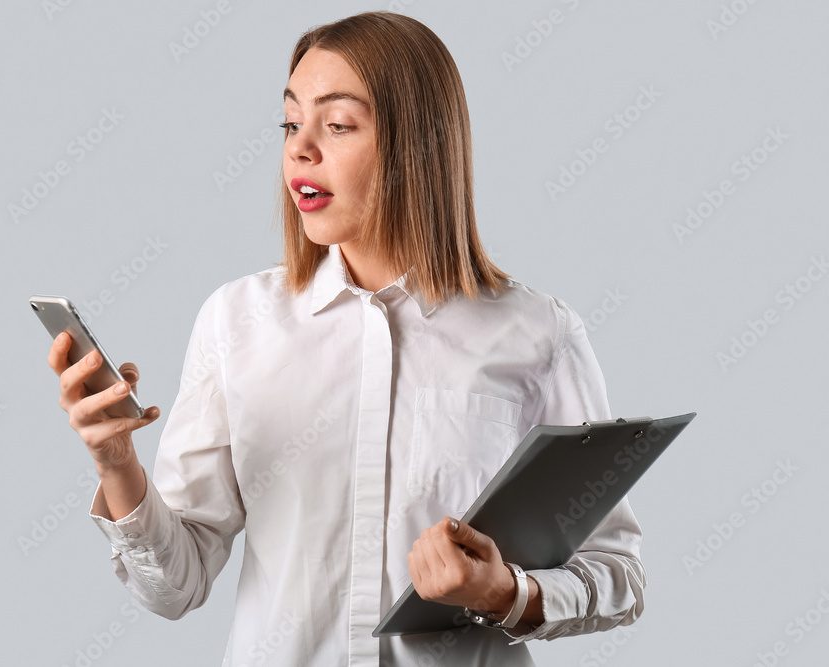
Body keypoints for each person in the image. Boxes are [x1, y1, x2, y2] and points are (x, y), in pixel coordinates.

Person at [48, 11, 645, 666]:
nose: (300, 148)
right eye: (290, 122)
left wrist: (505, 591)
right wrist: (116, 462)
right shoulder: (235, 320)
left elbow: (618, 575)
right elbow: (174, 584)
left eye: (336, 125)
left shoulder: (537, 334)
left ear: (420, 143)